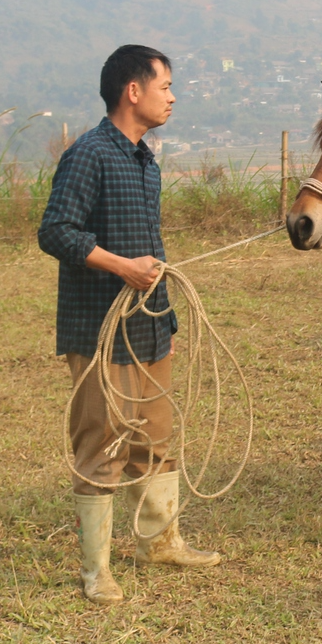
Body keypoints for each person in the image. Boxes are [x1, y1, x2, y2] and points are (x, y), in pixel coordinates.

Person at [38, 44, 221, 603]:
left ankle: (159, 541)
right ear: (132, 91)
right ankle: (96, 571)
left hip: (149, 326)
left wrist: (157, 281)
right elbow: (56, 231)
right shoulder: (89, 154)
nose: (172, 96)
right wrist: (121, 266)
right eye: (165, 85)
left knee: (157, 438)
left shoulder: (146, 159)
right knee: (102, 445)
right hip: (100, 331)